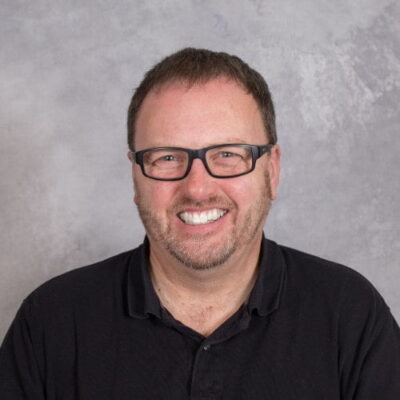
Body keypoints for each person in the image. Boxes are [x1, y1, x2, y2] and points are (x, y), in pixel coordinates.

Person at [0, 48, 399, 399]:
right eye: (167, 157)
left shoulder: (351, 316)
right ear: (135, 177)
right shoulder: (50, 324)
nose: (197, 188)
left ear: (272, 170)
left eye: (228, 154)